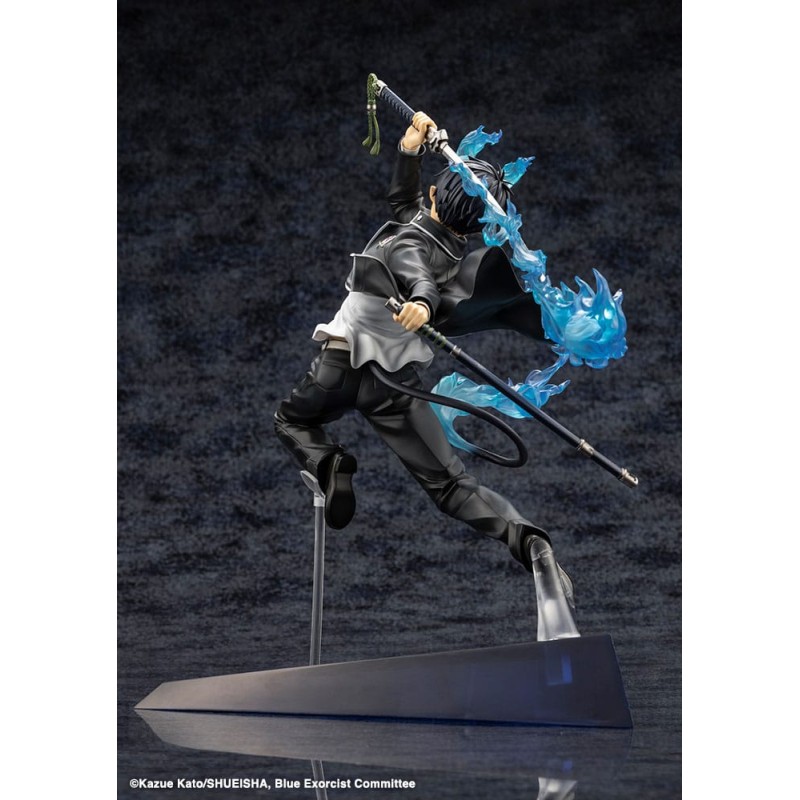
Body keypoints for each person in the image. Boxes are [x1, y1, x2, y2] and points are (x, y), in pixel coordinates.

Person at [274, 113, 578, 635]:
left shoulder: (411, 244)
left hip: (340, 367)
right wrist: (409, 151)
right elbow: (403, 203)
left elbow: (418, 275)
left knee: (291, 420)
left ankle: (329, 462)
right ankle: (528, 541)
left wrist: (421, 302)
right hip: (395, 388)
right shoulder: (449, 244)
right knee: (452, 486)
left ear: (437, 196)